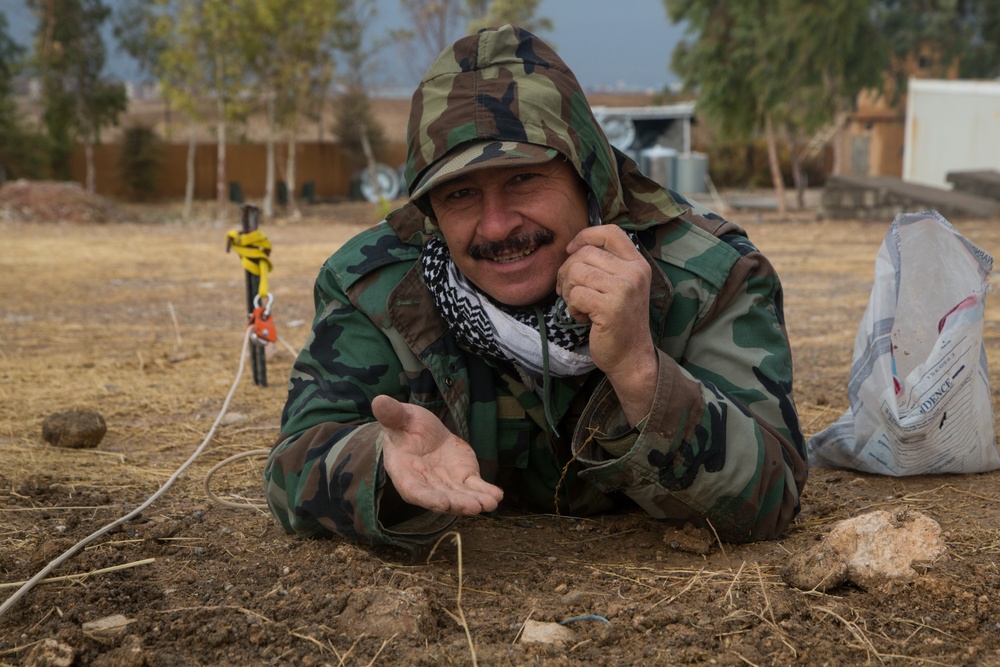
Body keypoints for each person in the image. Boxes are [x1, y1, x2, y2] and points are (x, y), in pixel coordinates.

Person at [263, 24, 807, 551]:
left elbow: (774, 494)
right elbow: (292, 467)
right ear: (430, 212)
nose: (497, 226)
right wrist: (380, 462)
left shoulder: (708, 275)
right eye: (460, 195)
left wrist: (641, 372)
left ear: (587, 177)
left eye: (523, 179)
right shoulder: (375, 285)